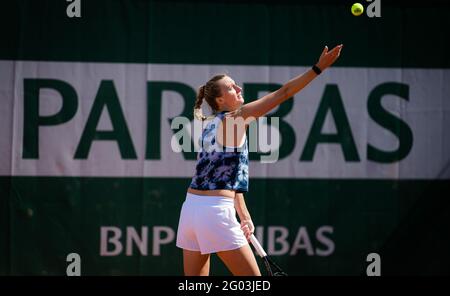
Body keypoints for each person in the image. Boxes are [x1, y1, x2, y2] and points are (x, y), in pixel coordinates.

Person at [176, 44, 343, 276]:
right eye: (231, 88)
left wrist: (244, 215)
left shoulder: (208, 125)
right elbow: (283, 93)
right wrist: (317, 68)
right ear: (220, 101)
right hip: (215, 213)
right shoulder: (238, 117)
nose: (238, 87)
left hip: (190, 211)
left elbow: (226, 176)